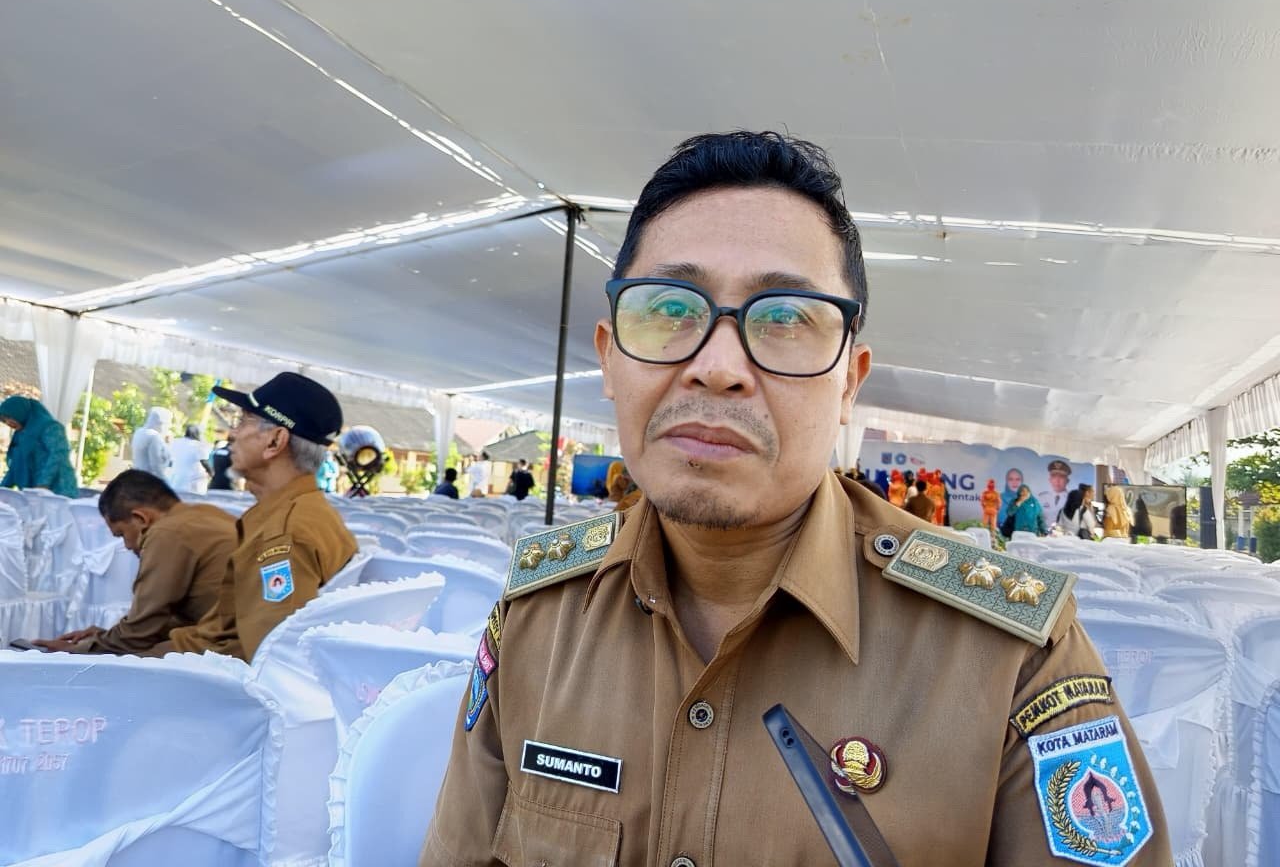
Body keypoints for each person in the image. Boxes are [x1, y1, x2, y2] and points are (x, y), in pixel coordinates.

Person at [422, 130, 1169, 865]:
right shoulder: (536, 620)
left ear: (849, 383)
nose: (718, 367)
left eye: (784, 319)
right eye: (671, 310)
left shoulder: (1011, 658)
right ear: (610, 359)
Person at [163, 373, 356, 661]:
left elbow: (271, 658)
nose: (233, 433)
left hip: (202, 671)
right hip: (200, 655)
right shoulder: (305, 511)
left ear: (275, 441)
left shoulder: (284, 533)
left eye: (243, 421)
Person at [34, 470, 235, 654]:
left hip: (225, 647)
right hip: (236, 636)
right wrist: (103, 637)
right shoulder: (207, 514)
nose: (128, 546)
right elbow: (157, 620)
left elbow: (138, 634)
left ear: (141, 518)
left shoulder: (167, 533)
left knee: (118, 666)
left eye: (122, 534)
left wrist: (78, 650)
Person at [0, 396, 78, 498]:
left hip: (59, 488)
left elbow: (58, 455)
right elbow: (16, 465)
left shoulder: (50, 427)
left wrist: (43, 484)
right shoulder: (20, 435)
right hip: (33, 490)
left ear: (20, 412)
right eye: (4, 420)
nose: (8, 423)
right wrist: (3, 489)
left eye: (10, 417)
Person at [169, 423, 212, 494]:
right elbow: (204, 462)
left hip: (175, 482)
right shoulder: (198, 445)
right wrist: (211, 473)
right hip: (192, 484)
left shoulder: (175, 442)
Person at [132, 406, 173, 480]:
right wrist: (165, 481)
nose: (167, 428)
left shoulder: (139, 432)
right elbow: (155, 464)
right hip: (149, 479)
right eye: (167, 425)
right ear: (160, 423)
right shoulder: (154, 436)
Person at [1037, 459, 1073, 528]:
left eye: (1061, 476)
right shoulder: (1042, 498)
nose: (1057, 480)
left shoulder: (1072, 500)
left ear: (1067, 480)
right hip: (1044, 533)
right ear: (1050, 479)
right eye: (1054, 476)